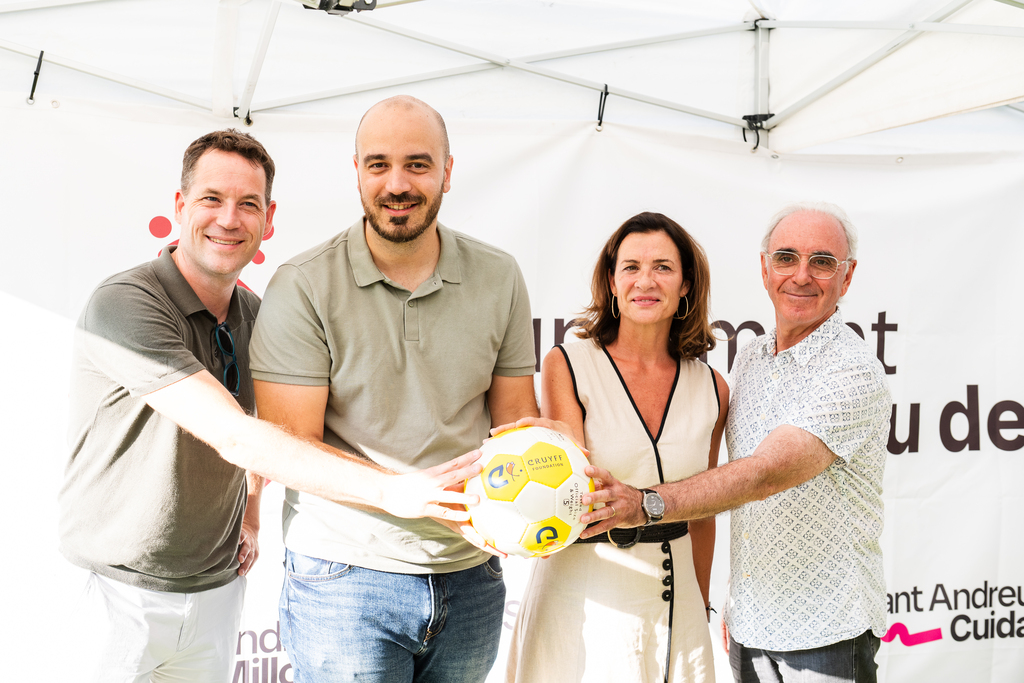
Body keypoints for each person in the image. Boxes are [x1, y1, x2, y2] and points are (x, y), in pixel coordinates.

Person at [59, 129, 485, 683]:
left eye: (248, 204)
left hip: (216, 589)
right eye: (212, 199)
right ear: (180, 206)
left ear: (269, 218)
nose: (228, 219)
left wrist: (252, 511)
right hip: (116, 591)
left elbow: (271, 426)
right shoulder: (126, 303)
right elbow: (235, 434)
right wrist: (393, 491)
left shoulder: (256, 313)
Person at [248, 95, 540, 683]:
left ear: (447, 172)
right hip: (344, 577)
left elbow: (515, 420)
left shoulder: (499, 275)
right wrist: (396, 492)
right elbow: (289, 450)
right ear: (356, 171)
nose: (397, 184)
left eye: (418, 164)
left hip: (472, 573)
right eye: (378, 164)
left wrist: (546, 460)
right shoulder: (303, 284)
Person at [581, 203, 891, 683]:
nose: (801, 275)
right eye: (786, 258)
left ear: (846, 277)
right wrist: (730, 603)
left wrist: (645, 504)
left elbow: (765, 474)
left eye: (822, 262)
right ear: (765, 270)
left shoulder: (852, 370)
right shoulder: (749, 360)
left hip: (827, 634)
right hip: (749, 628)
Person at [505, 212, 729, 683]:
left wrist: (700, 603)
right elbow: (571, 491)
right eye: (631, 267)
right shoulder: (568, 362)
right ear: (611, 281)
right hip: (584, 600)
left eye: (663, 267)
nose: (645, 281)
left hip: (680, 608)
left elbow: (704, 513)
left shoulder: (713, 387)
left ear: (686, 284)